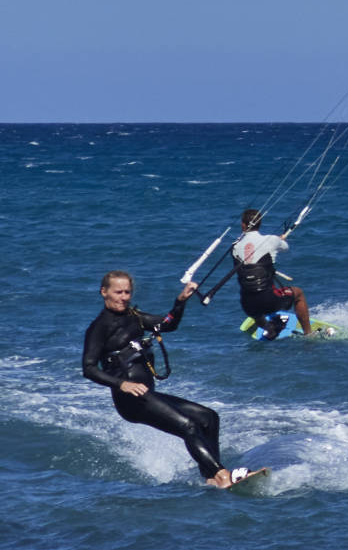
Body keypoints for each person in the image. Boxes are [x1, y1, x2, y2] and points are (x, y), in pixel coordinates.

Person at [82, 271, 253, 488]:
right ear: (104, 292)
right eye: (118, 292)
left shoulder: (134, 317)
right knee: (189, 426)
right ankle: (222, 475)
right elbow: (88, 368)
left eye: (128, 292)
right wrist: (122, 384)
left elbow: (168, 324)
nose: (124, 297)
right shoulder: (99, 327)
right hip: (130, 400)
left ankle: (209, 475)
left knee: (209, 418)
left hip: (147, 394)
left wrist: (180, 301)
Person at [231, 208, 312, 336]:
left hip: (247, 305)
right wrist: (280, 240)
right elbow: (285, 248)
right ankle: (309, 334)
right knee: (298, 293)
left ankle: (269, 329)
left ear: (243, 225)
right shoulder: (271, 240)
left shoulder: (234, 247)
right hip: (269, 301)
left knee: (252, 295)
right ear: (260, 223)